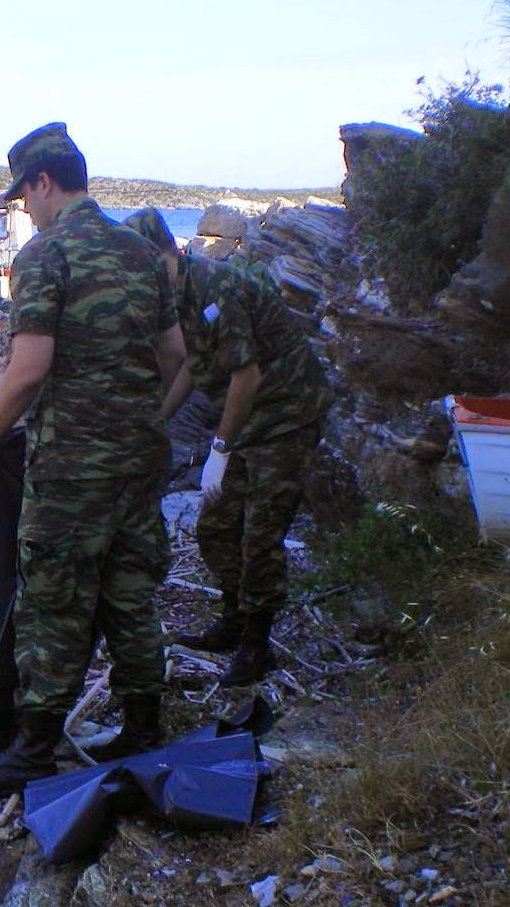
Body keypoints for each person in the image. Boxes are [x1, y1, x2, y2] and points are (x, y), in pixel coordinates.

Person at [0, 124, 186, 798]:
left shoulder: (46, 257)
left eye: (24, 198)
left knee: (53, 602)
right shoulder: (142, 253)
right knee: (130, 591)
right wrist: (143, 423)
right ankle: (145, 727)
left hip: (71, 468)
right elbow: (175, 357)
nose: (25, 209)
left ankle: (32, 749)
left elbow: (28, 370)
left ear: (43, 183)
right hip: (140, 459)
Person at [123, 206, 331, 687]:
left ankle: (257, 644)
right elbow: (196, 364)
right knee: (215, 525)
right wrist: (159, 420)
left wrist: (220, 448)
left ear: (168, 253)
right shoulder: (173, 295)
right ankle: (234, 619)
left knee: (260, 532)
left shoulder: (216, 287)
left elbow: (246, 376)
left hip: (286, 412)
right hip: (250, 417)